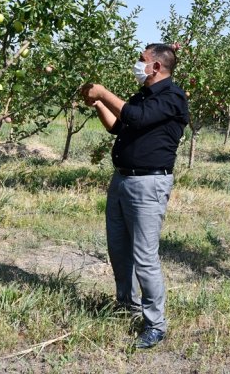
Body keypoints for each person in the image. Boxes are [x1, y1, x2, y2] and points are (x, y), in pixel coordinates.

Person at [81, 43, 189, 349]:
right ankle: (126, 304)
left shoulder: (173, 97)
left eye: (142, 61)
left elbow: (137, 117)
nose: (137, 65)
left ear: (156, 66)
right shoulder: (143, 95)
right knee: (118, 248)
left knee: (144, 256)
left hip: (148, 186)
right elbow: (119, 125)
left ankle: (155, 323)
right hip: (122, 181)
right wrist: (96, 104)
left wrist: (103, 93)